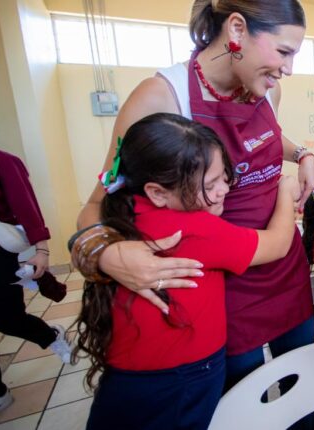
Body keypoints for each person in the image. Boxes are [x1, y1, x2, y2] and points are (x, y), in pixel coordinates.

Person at [68, 3, 314, 425]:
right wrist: (106, 256)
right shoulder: (161, 96)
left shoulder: (267, 86)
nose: (288, 69)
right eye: (283, 52)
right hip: (225, 285)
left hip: (284, 270)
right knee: (247, 407)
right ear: (237, 29)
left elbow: (267, 136)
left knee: (303, 393)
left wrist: (303, 153)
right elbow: (97, 204)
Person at [74, 113, 298, 430]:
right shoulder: (193, 229)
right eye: (210, 184)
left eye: (224, 177)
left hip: (128, 375)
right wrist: (286, 192)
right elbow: (277, 244)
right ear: (158, 192)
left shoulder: (121, 206)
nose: (224, 190)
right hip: (181, 377)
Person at [0, 122, 71, 426]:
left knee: (7, 320)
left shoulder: (1, 163)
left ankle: (50, 335)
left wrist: (41, 250)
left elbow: (27, 209)